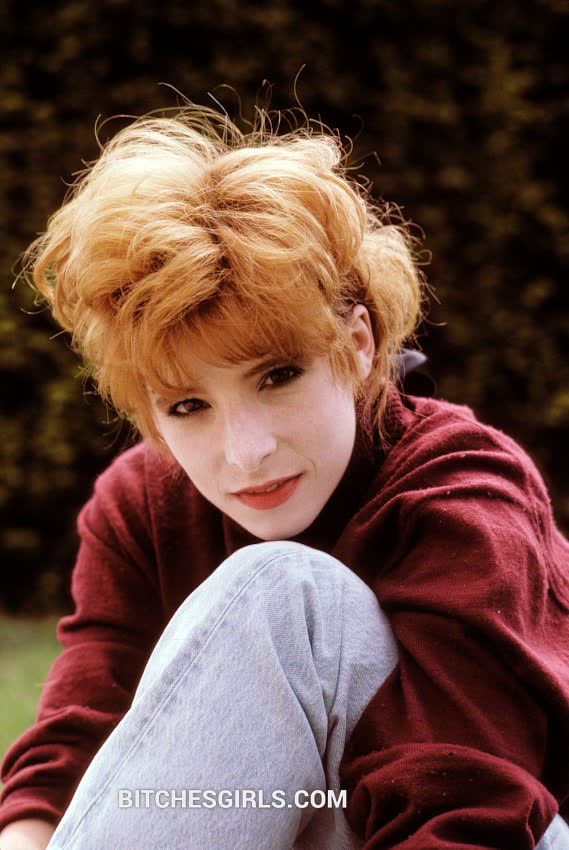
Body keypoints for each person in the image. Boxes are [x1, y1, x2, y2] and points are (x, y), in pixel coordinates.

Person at [1, 104, 568, 850]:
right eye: (188, 405)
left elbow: (466, 806)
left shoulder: (462, 493)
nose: (246, 452)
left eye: (277, 375)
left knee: (285, 590)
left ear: (358, 342)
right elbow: (77, 747)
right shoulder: (143, 507)